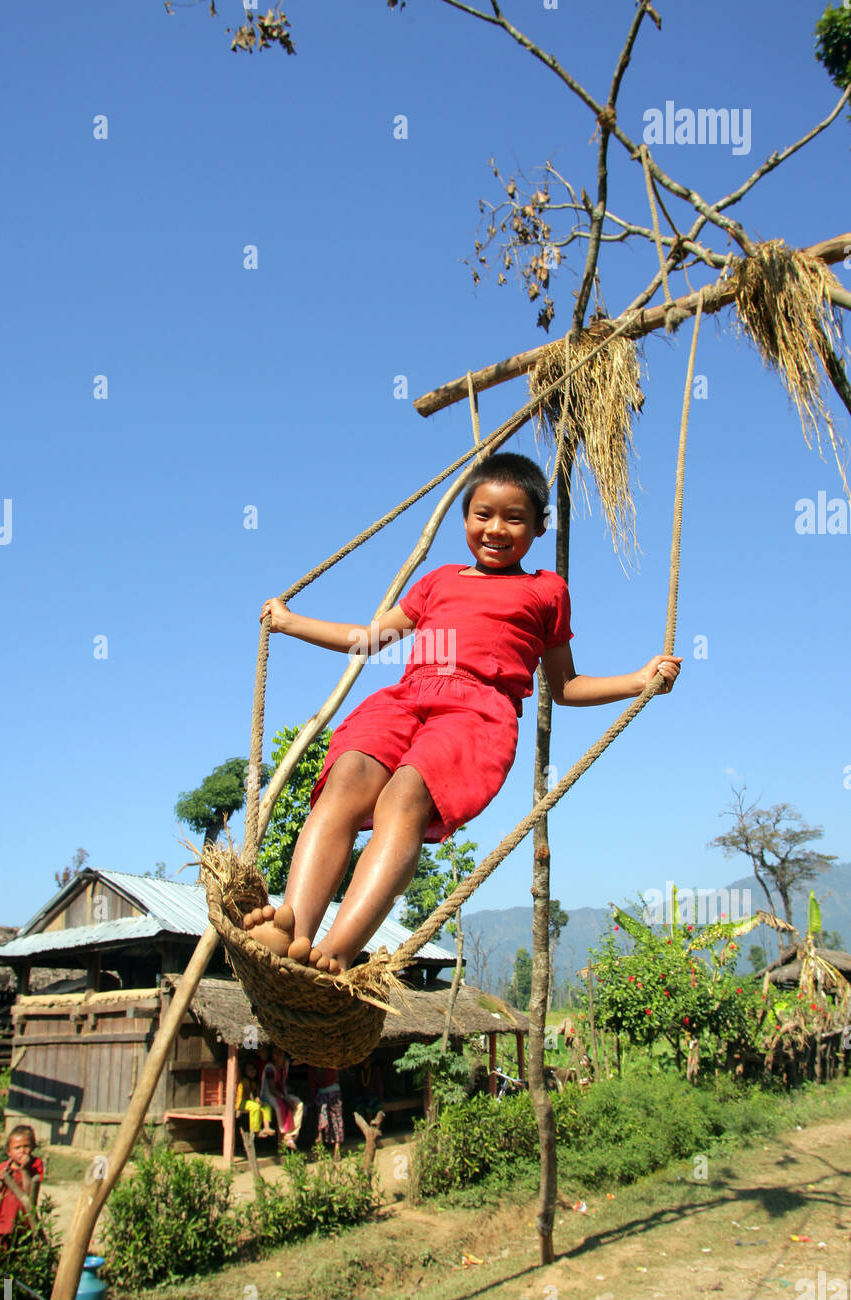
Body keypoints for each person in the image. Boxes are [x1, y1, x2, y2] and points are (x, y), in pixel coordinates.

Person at [244, 452, 681, 973]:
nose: (496, 529)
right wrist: (291, 622)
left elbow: (565, 686)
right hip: (408, 697)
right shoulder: (438, 581)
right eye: (483, 515)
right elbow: (366, 639)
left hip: (477, 714)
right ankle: (291, 924)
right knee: (347, 774)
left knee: (405, 796)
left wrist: (639, 680)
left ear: (540, 527)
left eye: (514, 518)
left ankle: (335, 953)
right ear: (466, 518)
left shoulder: (546, 590)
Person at [0, 1125, 44, 1254]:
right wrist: (2, 1181)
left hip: (25, 1219)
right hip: (5, 1218)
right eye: (17, 1148)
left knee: (23, 1250)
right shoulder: (4, 1167)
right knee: (0, 1250)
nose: (22, 1151)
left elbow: (29, 1192)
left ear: (33, 1147)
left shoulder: (36, 1165)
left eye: (26, 1146)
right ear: (9, 1152)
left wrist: (24, 1170)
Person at [260, 1046, 304, 1152]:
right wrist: (285, 1099)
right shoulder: (270, 1068)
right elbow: (272, 1089)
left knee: (299, 1103)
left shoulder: (286, 1064)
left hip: (282, 1092)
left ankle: (291, 1134)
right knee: (281, 1106)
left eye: (280, 1053)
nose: (278, 1056)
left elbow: (296, 1061)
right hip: (269, 1094)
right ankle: (284, 1135)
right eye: (275, 1053)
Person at [308, 1065, 344, 1159]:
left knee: (335, 1119)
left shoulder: (330, 1062)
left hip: (333, 1092)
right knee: (323, 1118)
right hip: (322, 1094)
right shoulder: (313, 1067)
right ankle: (320, 1141)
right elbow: (313, 1083)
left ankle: (337, 1149)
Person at [235, 1059, 275, 1138]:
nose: (252, 1071)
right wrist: (256, 1101)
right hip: (242, 1102)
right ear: (245, 1072)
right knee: (255, 1107)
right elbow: (249, 1093)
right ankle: (256, 1130)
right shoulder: (244, 1081)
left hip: (252, 1101)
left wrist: (258, 1100)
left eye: (253, 1069)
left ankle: (266, 1127)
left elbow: (257, 1094)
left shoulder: (255, 1082)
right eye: (249, 1070)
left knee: (266, 1105)